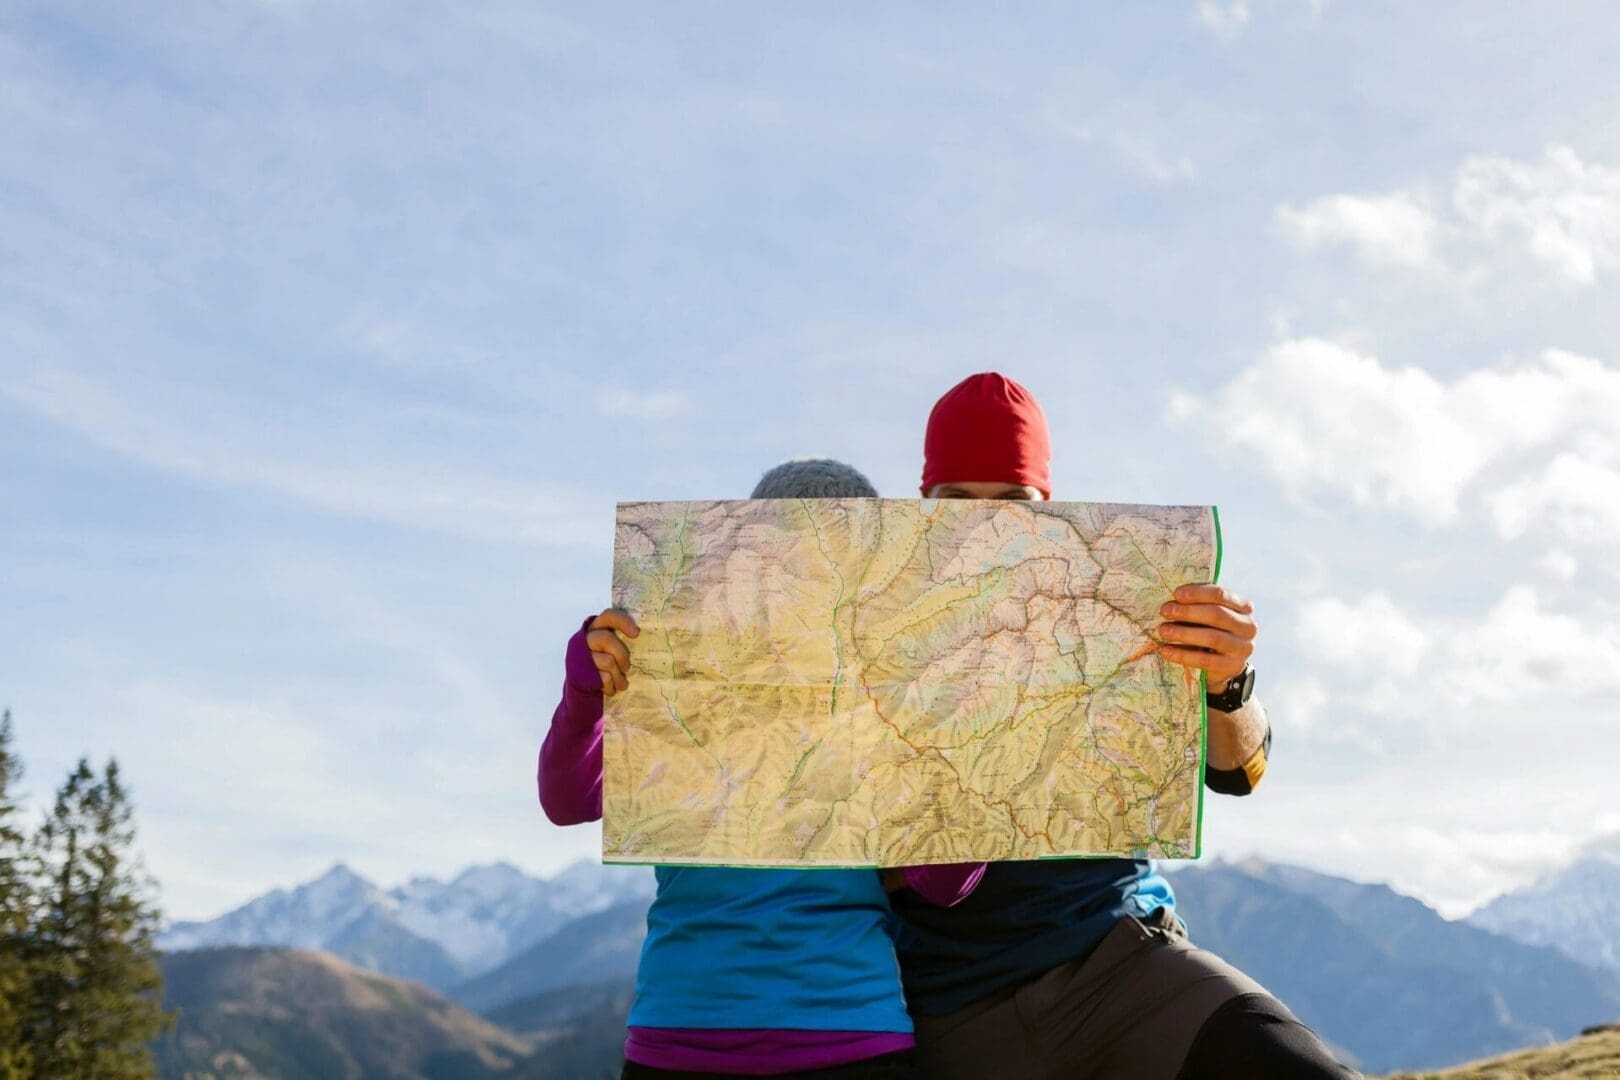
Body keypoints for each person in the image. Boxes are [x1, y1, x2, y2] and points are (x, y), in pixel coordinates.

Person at [888, 373, 1358, 1079]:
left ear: (1046, 503)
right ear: (924, 504)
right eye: (957, 501)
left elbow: (1237, 772)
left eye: (1012, 502)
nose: (985, 525)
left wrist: (1226, 684)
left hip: (1120, 965)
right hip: (947, 1006)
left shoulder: (1120, 598)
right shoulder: (875, 620)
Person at [538, 458, 980, 1080]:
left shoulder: (885, 703)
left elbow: (948, 883)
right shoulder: (679, 683)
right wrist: (586, 695)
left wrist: (936, 740)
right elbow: (567, 800)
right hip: (679, 1040)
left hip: (852, 1040)